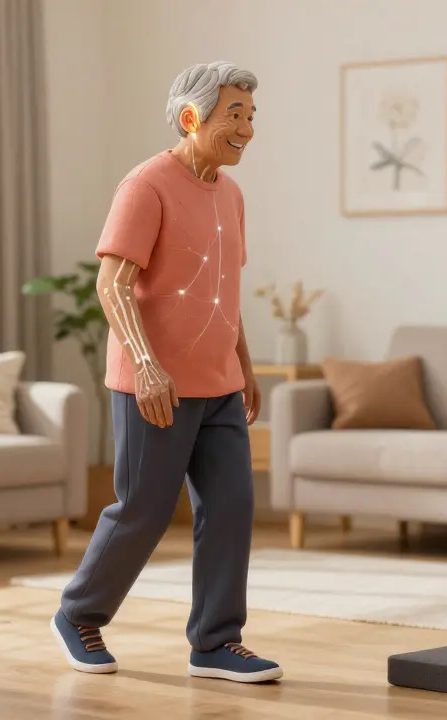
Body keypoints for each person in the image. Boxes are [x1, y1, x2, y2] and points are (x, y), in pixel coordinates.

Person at [50, 61, 282, 684]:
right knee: (145, 509)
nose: (247, 129)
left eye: (251, 116)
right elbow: (113, 282)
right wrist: (148, 366)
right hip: (154, 386)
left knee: (232, 507)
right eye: (234, 115)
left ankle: (214, 641)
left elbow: (222, 291)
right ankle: (79, 613)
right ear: (191, 117)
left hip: (219, 387)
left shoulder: (231, 194)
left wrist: (245, 364)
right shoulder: (146, 186)